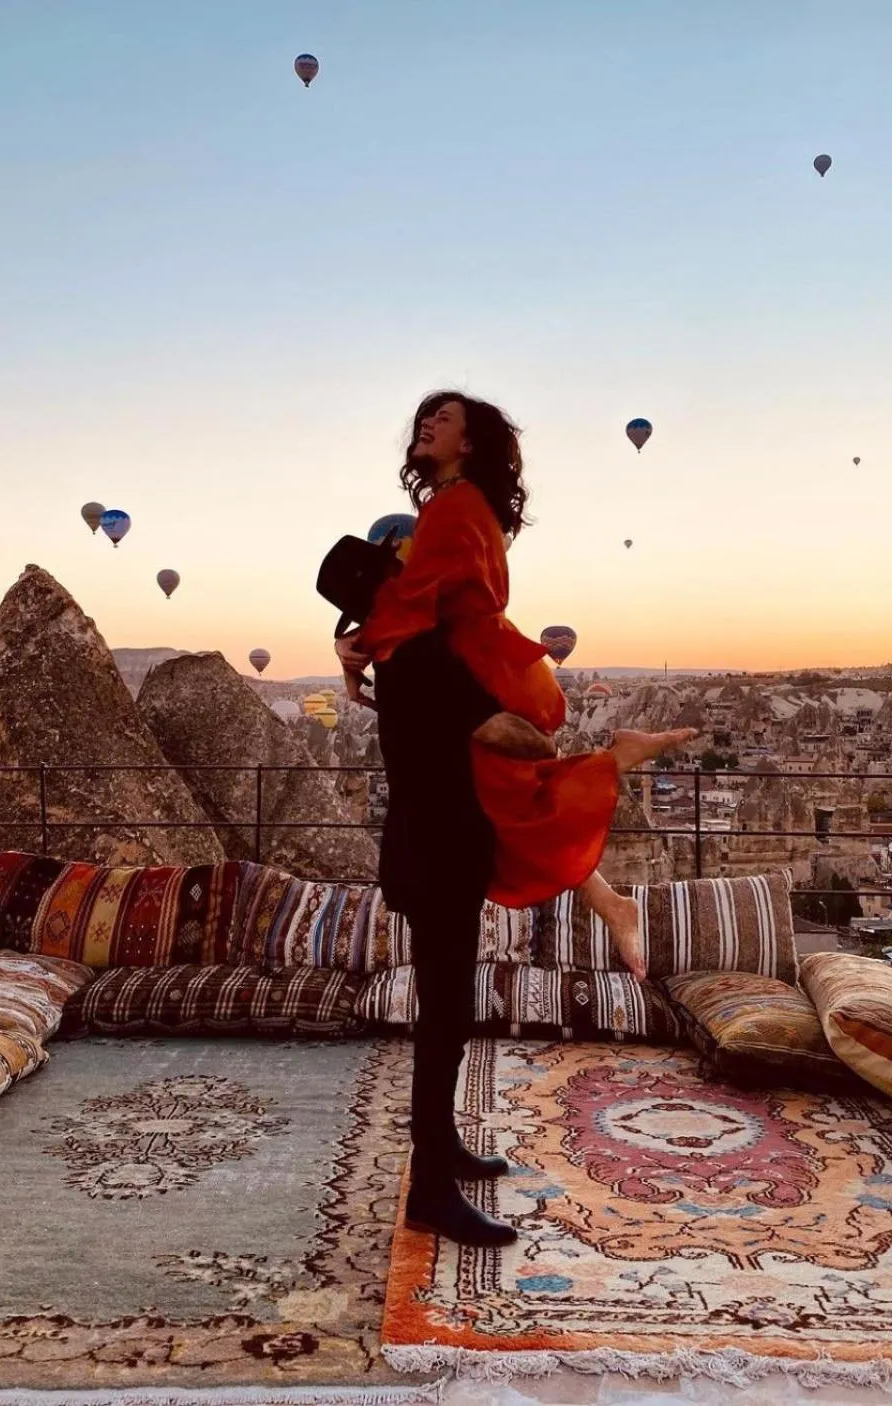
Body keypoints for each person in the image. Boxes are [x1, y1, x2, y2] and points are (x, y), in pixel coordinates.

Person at [335, 392, 696, 1247]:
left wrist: (363, 644)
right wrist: (368, 646)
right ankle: (429, 1181)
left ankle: (441, 1150)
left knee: (450, 993)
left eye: (445, 415)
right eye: (421, 415)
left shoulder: (455, 513)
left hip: (440, 788)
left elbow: (412, 620)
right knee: (447, 997)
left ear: (478, 439)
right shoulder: (450, 518)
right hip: (435, 799)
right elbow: (409, 625)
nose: (425, 421)